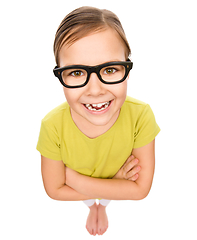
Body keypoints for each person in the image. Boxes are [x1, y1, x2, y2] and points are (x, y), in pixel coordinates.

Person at [36, 6, 160, 236]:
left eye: (111, 69)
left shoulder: (141, 116)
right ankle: (96, 205)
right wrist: (116, 183)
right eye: (76, 72)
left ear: (128, 68)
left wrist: (71, 178)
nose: (95, 90)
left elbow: (141, 190)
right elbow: (54, 191)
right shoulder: (52, 126)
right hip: (115, 180)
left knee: (101, 201)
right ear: (60, 76)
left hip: (80, 185)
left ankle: (99, 205)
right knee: (95, 200)